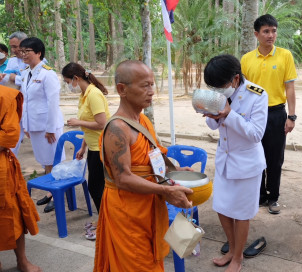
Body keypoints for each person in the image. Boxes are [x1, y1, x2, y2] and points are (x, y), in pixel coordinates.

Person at [94, 60, 193, 272]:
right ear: (122, 89)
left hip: (148, 202)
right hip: (127, 209)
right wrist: (165, 190)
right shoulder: (117, 129)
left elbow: (152, 158)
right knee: (136, 263)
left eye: (152, 85)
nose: (151, 91)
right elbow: (123, 178)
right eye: (144, 85)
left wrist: (172, 172)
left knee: (149, 258)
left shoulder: (142, 121)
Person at [204, 55, 268, 271]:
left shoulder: (257, 95)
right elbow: (213, 126)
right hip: (224, 160)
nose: (217, 91)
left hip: (247, 164)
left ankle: (238, 258)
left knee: (241, 213)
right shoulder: (218, 91)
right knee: (222, 207)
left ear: (235, 79)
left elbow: (256, 134)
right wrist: (212, 115)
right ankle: (231, 249)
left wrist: (230, 114)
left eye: (220, 86)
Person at [241, 14, 297, 215]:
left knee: (275, 159)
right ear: (256, 34)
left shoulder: (285, 56)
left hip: (276, 114)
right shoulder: (247, 59)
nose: (270, 35)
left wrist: (291, 116)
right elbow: (243, 90)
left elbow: (289, 88)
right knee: (255, 156)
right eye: (266, 31)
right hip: (253, 115)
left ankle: (273, 197)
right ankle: (259, 196)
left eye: (273, 30)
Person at [63, 62, 111, 239]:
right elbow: (90, 125)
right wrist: (82, 147)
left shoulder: (94, 95)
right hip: (92, 147)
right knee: (98, 188)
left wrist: (78, 123)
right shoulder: (84, 94)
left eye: (68, 81)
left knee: (96, 188)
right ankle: (104, 220)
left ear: (76, 78)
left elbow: (102, 123)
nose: (69, 86)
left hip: (102, 148)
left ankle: (105, 225)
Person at [19, 37, 65, 213]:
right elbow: (25, 101)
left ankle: (57, 195)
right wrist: (25, 125)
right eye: (22, 51)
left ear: (38, 53)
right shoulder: (26, 73)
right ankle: (50, 191)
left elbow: (53, 102)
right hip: (35, 125)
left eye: (27, 51)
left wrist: (50, 128)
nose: (23, 55)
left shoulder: (48, 74)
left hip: (48, 127)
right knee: (46, 162)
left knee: (55, 161)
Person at [0, 85, 41, 272]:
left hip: (2, 169)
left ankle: (22, 261)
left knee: (13, 212)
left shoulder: (5, 96)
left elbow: (9, 136)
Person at [0, 32, 28, 157]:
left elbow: (33, 81)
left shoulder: (38, 59)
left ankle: (50, 172)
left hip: (30, 107)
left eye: (16, 46)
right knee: (12, 141)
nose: (14, 50)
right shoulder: (11, 61)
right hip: (14, 105)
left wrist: (15, 78)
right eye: (12, 47)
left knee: (44, 145)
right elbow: (6, 79)